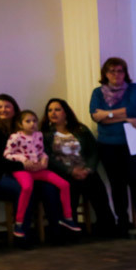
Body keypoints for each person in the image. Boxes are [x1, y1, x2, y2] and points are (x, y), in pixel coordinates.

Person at [0, 94, 61, 237]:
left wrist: (41, 162)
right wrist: (23, 165)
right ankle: (22, 232)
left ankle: (56, 231)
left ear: (14, 109)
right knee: (23, 188)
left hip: (28, 171)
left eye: (7, 106)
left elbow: (37, 149)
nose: (3, 110)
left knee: (50, 187)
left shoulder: (24, 127)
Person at [90, 57, 136, 238]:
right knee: (117, 185)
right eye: (112, 71)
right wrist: (123, 118)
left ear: (125, 73)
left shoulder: (134, 89)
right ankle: (122, 222)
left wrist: (107, 114)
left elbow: (134, 110)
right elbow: (96, 116)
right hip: (108, 145)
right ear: (105, 74)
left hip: (134, 144)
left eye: (120, 71)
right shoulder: (98, 93)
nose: (116, 74)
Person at [3, 110, 81, 237]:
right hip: (23, 171)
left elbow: (41, 152)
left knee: (64, 184)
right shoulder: (15, 137)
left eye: (34, 121)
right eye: (28, 121)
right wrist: (23, 160)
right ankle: (19, 223)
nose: (32, 124)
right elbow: (7, 154)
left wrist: (44, 159)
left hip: (38, 169)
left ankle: (67, 218)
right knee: (27, 187)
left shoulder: (38, 135)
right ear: (20, 124)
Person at [43, 97, 114, 235]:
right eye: (50, 110)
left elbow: (93, 151)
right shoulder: (45, 134)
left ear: (66, 112)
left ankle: (107, 226)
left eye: (57, 109)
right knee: (70, 187)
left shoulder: (80, 129)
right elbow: (48, 158)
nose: (53, 113)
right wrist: (70, 170)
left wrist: (88, 169)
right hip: (63, 172)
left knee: (96, 185)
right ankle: (70, 228)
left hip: (84, 170)